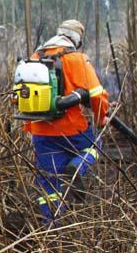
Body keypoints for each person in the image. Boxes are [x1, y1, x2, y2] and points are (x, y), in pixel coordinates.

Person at [24, 20, 109, 221]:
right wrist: (100, 118)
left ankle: (52, 226)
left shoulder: (34, 57)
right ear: (77, 39)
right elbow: (97, 95)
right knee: (96, 146)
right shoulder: (77, 59)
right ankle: (77, 167)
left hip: (40, 131)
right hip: (71, 129)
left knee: (49, 180)